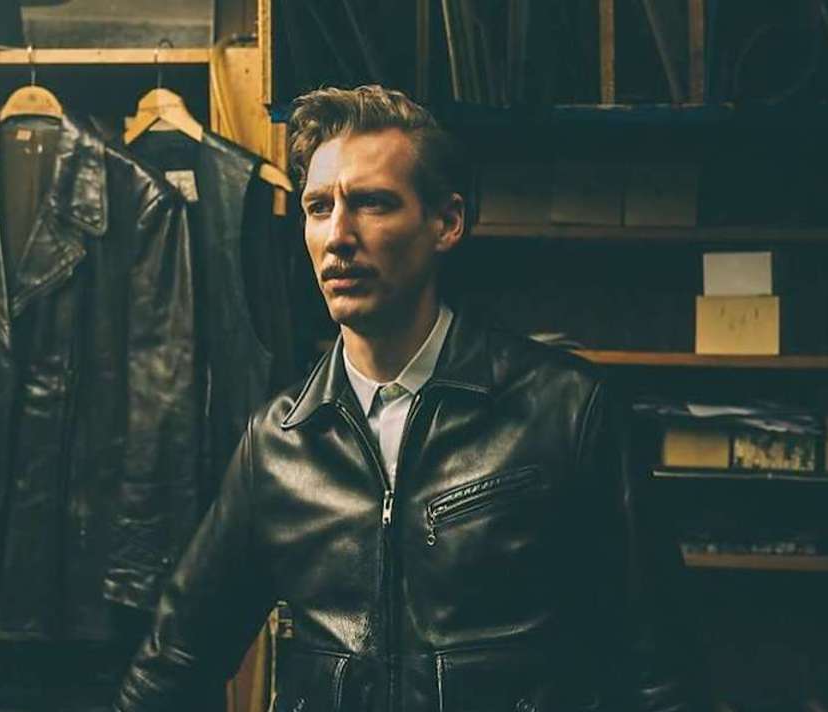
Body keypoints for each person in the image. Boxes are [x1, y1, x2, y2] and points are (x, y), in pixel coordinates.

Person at [114, 85, 708, 711]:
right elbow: (174, 662)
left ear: (446, 223)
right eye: (318, 207)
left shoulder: (566, 411)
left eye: (372, 203)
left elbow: (661, 673)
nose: (338, 235)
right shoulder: (280, 441)